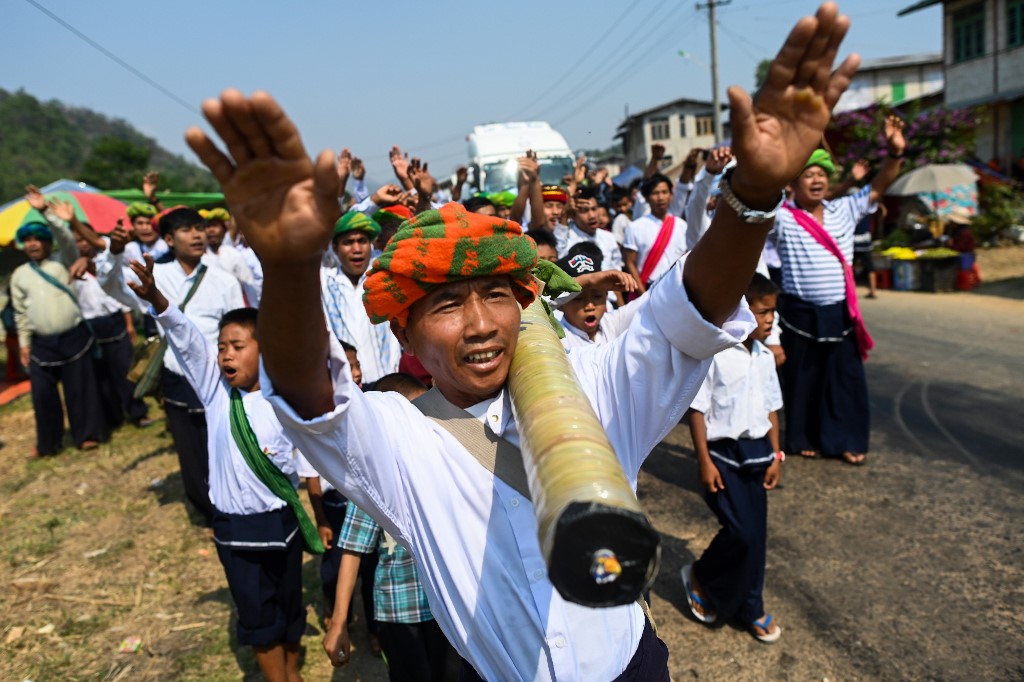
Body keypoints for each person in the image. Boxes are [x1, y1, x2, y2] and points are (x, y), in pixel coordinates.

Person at [185, 7, 860, 676]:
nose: (479, 324)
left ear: (525, 306)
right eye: (447, 304)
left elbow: (692, 309)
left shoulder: (595, 385)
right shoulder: (398, 437)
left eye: (497, 296)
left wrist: (755, 191)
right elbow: (311, 397)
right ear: (405, 332)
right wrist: (292, 268)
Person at [127, 256, 315, 682]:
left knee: (287, 598)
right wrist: (157, 298)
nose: (226, 354)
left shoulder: (282, 399)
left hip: (280, 522)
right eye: (223, 346)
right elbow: (187, 339)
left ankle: (291, 667)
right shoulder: (215, 393)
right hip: (234, 527)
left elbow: (305, 461)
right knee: (255, 608)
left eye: (238, 346)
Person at [770, 114, 905, 465]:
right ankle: (804, 439)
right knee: (803, 381)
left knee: (844, 380)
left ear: (829, 182)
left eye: (821, 175)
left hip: (840, 312)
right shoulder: (782, 217)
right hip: (799, 313)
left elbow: (878, 187)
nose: (816, 180)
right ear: (794, 185)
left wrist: (894, 154)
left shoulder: (845, 208)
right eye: (808, 175)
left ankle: (846, 439)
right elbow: (752, 211)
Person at [99, 207, 245, 524]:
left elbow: (240, 333)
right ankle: (209, 512)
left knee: (226, 442)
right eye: (187, 229)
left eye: (200, 228)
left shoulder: (223, 279)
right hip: (177, 375)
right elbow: (111, 287)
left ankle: (233, 503)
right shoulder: (155, 277)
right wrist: (114, 252)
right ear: (168, 238)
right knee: (190, 448)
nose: (197, 235)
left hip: (220, 376)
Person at [324, 372, 454, 681]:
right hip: (399, 610)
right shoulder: (376, 483)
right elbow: (353, 550)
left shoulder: (449, 465)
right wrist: (340, 622)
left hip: (449, 606)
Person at [682, 273, 785, 643]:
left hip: (758, 455)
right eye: (763, 312)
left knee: (757, 539)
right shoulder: (718, 355)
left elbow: (773, 408)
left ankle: (751, 607)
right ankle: (702, 575)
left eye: (773, 312)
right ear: (743, 312)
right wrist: (703, 461)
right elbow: (697, 411)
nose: (770, 320)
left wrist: (777, 454)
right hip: (723, 457)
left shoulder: (764, 358)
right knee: (740, 534)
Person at [10, 216, 107, 455]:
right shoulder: (19, 275)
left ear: (47, 243)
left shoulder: (64, 261)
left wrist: (48, 215)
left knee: (79, 389)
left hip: (73, 336)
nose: (32, 244)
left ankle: (86, 435)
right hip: (41, 343)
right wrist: (24, 344)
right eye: (28, 240)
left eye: (38, 239)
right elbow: (21, 314)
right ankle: (48, 442)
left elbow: (66, 240)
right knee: (43, 396)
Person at [321, 212, 402, 384]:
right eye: (348, 242)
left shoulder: (387, 277)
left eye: (362, 241)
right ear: (335, 248)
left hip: (388, 383)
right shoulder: (323, 282)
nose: (357, 249)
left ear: (371, 245)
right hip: (346, 388)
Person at [553, 244, 643, 349]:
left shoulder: (613, 323)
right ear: (561, 304)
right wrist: (588, 280)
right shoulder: (554, 336)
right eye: (578, 298)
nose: (590, 306)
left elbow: (653, 297)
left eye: (597, 296)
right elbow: (536, 304)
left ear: (606, 294)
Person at [622, 173, 689, 292]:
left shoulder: (682, 225)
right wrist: (643, 294)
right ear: (647, 197)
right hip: (650, 288)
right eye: (655, 193)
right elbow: (630, 263)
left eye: (664, 192)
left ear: (671, 195)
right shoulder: (635, 227)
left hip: (680, 286)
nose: (661, 198)